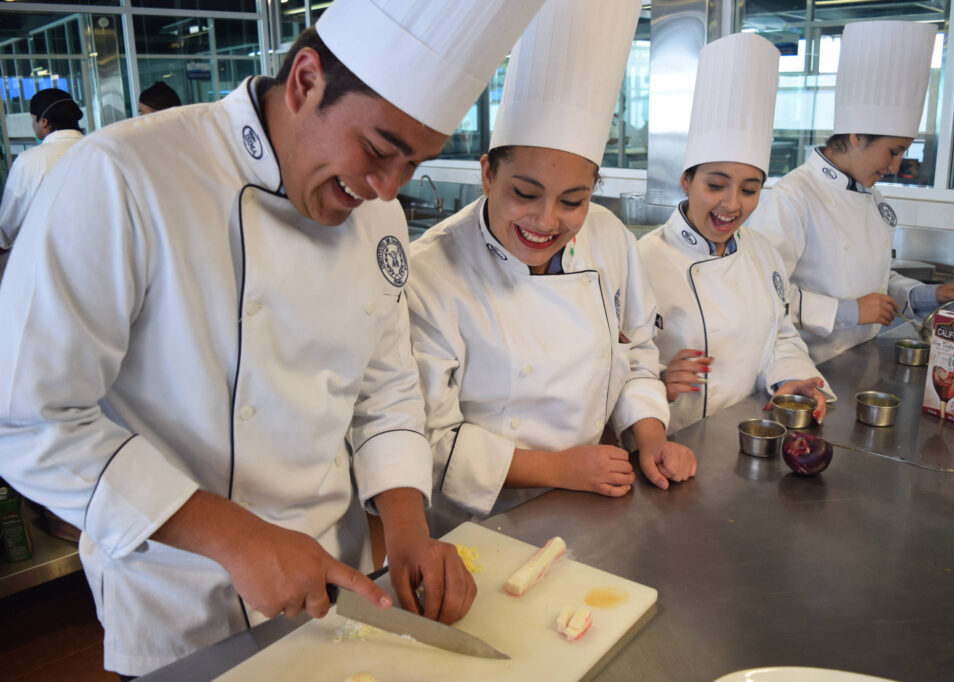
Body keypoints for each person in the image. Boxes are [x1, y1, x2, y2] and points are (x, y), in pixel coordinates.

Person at [0, 0, 543, 676]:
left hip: (332, 587)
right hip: (177, 592)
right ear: (305, 78)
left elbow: (386, 388)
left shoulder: (378, 218)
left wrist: (407, 529)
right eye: (378, 151)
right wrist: (236, 537)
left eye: (413, 165)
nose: (385, 190)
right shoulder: (123, 176)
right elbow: (28, 419)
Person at [406, 0, 696, 533]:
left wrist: (651, 436)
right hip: (477, 523)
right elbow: (424, 439)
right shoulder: (431, 272)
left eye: (573, 200)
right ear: (487, 173)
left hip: (593, 500)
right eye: (525, 193)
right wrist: (559, 468)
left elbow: (634, 354)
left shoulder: (608, 237)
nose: (547, 221)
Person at [749, 21, 954, 363]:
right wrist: (846, 311)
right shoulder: (793, 196)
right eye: (894, 150)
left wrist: (930, 296)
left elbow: (876, 282)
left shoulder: (874, 199)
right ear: (856, 135)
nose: (897, 166)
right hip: (801, 366)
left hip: (857, 359)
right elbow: (761, 291)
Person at [638, 33, 833, 434]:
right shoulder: (642, 260)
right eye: (715, 185)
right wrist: (657, 379)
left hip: (749, 432)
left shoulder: (762, 253)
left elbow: (778, 335)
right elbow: (615, 361)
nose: (732, 205)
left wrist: (789, 379)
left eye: (749, 189)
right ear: (686, 180)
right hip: (671, 441)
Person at [0, 88, 84, 278]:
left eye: (33, 118)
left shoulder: (31, 161)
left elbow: (8, 228)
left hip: (51, 268)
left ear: (43, 122)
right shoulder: (101, 149)